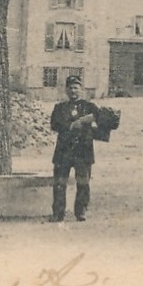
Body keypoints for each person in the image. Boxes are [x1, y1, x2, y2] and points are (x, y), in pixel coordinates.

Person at [50, 75, 101, 221]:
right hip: (63, 151)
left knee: (83, 182)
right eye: (70, 88)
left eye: (76, 88)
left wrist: (90, 124)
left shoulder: (90, 107)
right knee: (60, 182)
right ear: (66, 90)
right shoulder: (59, 108)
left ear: (81, 89)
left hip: (83, 150)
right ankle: (58, 213)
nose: (73, 91)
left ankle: (81, 211)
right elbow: (54, 125)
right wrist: (72, 126)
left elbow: (104, 121)